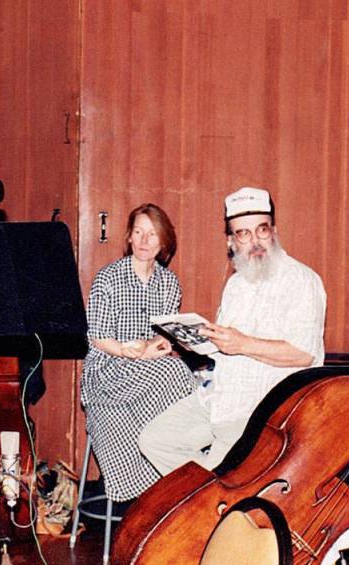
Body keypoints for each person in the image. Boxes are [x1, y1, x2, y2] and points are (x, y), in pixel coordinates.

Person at [139, 186, 326, 475]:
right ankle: (215, 492)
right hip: (220, 398)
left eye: (261, 230)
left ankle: (218, 492)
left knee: (212, 481)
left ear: (274, 231)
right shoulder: (236, 284)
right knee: (155, 441)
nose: (255, 241)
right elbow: (226, 346)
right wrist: (187, 343)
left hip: (264, 411)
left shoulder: (301, 281)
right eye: (243, 234)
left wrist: (242, 344)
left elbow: (304, 354)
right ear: (231, 241)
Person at [80, 203, 197, 505]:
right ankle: (177, 469)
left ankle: (170, 470)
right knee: (175, 372)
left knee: (185, 375)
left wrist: (158, 344)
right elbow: (97, 337)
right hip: (108, 369)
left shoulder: (169, 283)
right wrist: (128, 350)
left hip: (147, 369)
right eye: (138, 232)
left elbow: (163, 334)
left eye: (152, 234)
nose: (144, 241)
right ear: (129, 237)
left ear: (164, 242)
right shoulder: (108, 278)